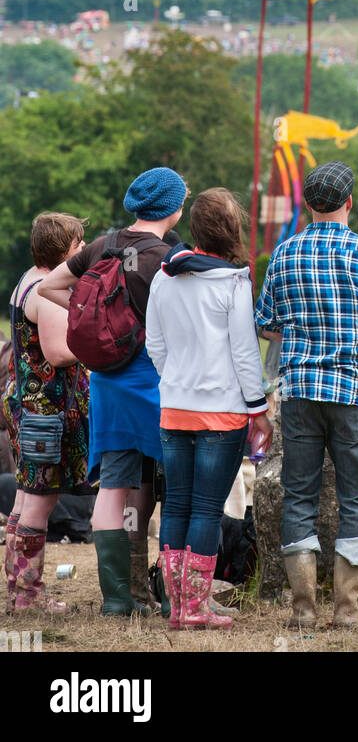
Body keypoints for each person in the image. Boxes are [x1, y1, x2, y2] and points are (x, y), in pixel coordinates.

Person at [255, 161, 358, 629]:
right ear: (349, 204)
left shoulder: (284, 254)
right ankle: (348, 609)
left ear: (306, 205)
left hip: (300, 391)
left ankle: (302, 609)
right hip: (356, 391)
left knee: (299, 494)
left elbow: (266, 324)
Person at [40, 167, 187, 615]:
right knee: (174, 486)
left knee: (116, 487)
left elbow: (48, 286)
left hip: (107, 381)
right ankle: (174, 594)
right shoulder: (169, 255)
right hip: (153, 379)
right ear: (174, 207)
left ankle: (119, 599)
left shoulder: (103, 245)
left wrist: (97, 316)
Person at [145, 187, 271, 629]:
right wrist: (259, 409)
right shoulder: (234, 280)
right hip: (223, 413)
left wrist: (176, 379)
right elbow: (244, 353)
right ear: (231, 228)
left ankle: (177, 606)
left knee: (175, 508)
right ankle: (195, 608)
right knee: (205, 510)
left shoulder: (165, 275)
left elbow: (154, 344)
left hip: (173, 407)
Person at [2, 212, 90, 613]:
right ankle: (28, 596)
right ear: (64, 249)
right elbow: (57, 353)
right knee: (39, 501)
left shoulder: (27, 279)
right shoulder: (46, 290)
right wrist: (100, 348)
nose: (84, 249)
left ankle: (17, 590)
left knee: (24, 499)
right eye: (79, 243)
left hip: (28, 407)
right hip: (46, 414)